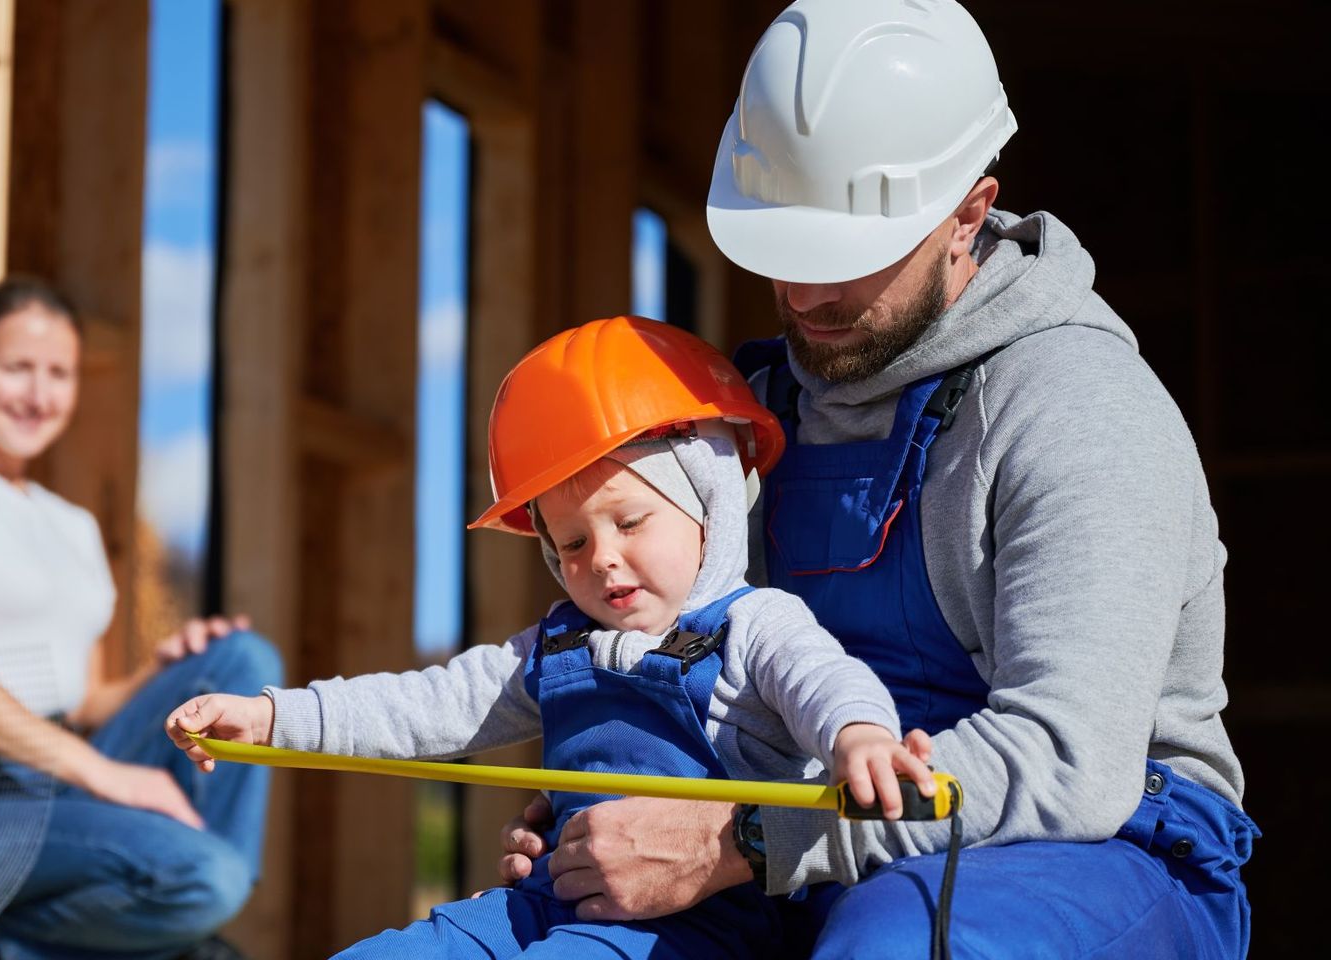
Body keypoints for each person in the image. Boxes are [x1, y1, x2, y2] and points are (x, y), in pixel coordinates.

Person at [495, 2, 1258, 957]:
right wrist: (607, 797)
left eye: (845, 259)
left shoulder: (1076, 404)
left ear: (968, 214)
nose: (806, 297)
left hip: (1096, 855)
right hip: (807, 845)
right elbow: (689, 661)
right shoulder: (745, 414)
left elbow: (1068, 760)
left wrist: (735, 839)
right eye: (783, 252)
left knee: (896, 940)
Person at [168, 317, 941, 957]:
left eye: (630, 522)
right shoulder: (554, 644)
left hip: (695, 929)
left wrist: (859, 738)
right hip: (548, 901)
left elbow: (822, 681)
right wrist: (272, 719)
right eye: (568, 544)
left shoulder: (752, 626)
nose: (600, 558)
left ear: (710, 502)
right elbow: (422, 707)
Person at [0, 276, 279, 960]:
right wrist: (106, 775)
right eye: (17, 368)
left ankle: (125, 925)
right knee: (208, 878)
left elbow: (87, 701)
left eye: (58, 373)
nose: (38, 394)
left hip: (66, 781)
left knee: (244, 660)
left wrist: (167, 668)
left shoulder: (74, 527)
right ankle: (125, 934)